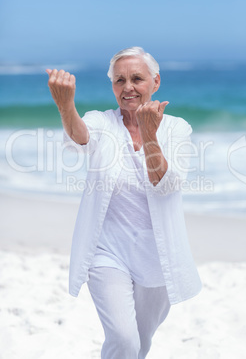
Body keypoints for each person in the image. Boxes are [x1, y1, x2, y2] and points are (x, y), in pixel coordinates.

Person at [46, 46, 202, 359]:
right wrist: (66, 105)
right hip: (107, 252)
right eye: (119, 80)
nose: (127, 87)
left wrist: (149, 134)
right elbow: (81, 137)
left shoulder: (178, 128)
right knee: (123, 338)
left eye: (136, 78)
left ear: (155, 82)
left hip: (158, 256)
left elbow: (166, 183)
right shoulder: (102, 122)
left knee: (139, 344)